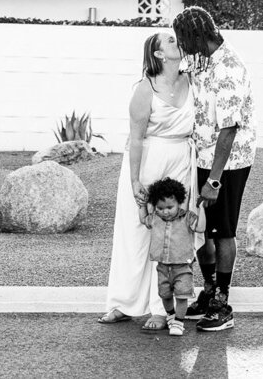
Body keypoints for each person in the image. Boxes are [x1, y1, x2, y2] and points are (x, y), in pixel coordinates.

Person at [97, 29, 198, 331]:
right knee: (135, 232)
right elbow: (137, 139)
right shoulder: (145, 89)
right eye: (168, 40)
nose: (175, 40)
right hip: (149, 159)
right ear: (157, 54)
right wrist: (134, 182)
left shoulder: (192, 81)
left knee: (171, 233)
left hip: (181, 158)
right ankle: (122, 302)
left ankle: (160, 308)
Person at [172, 5, 255, 334]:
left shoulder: (229, 66)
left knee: (222, 231)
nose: (181, 45)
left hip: (228, 162)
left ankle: (223, 302)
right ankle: (208, 294)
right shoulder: (204, 61)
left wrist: (215, 181)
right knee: (204, 228)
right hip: (202, 157)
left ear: (196, 34)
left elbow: (229, 129)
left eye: (183, 38)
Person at [140, 176, 200, 337]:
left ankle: (179, 323)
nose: (165, 211)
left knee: (181, 295)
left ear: (179, 202)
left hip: (182, 267)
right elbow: (143, 219)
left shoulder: (187, 217)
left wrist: (203, 210)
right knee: (165, 295)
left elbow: (200, 228)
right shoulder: (155, 219)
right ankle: (171, 316)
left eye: (169, 207)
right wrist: (142, 205)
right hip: (163, 267)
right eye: (160, 208)